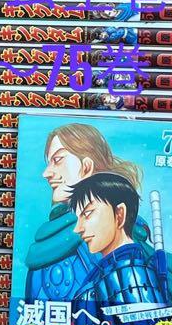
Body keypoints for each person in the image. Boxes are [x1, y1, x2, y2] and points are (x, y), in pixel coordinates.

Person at [23, 124, 143, 303]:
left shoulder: (119, 235)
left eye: (58, 160)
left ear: (86, 167)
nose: (46, 173)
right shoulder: (51, 242)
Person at [68, 171, 170, 323]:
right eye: (78, 218)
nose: (77, 229)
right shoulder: (109, 272)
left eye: (87, 214)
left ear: (119, 214)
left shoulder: (131, 275)